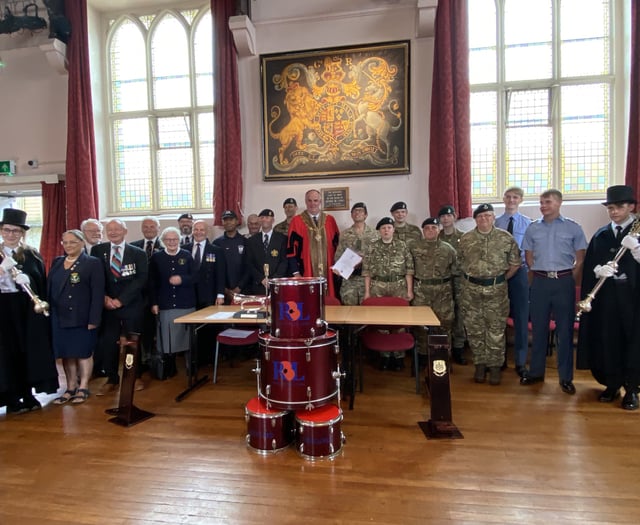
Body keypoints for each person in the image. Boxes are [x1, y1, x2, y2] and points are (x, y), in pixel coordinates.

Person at [577, 185, 640, 410]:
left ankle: (632, 389)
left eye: (619, 207)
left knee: (633, 343)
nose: (614, 212)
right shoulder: (602, 234)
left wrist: (637, 251)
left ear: (631, 206)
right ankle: (612, 384)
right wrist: (598, 270)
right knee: (609, 340)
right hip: (608, 300)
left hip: (633, 300)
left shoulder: (637, 232)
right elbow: (592, 262)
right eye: (610, 208)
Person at [521, 189, 587, 394]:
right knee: (539, 329)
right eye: (541, 202)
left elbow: (581, 258)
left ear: (559, 203)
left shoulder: (573, 228)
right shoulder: (533, 229)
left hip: (563, 282)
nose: (543, 206)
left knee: (564, 331)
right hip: (540, 282)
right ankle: (536, 373)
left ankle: (565, 377)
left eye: (547, 202)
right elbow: (529, 257)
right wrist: (537, 274)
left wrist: (568, 278)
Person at [0, 208, 58, 414]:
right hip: (3, 308)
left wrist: (29, 280)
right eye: (7, 230)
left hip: (26, 308)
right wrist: (2, 270)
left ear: (22, 233)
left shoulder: (31, 253)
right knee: (8, 353)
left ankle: (28, 393)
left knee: (29, 350)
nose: (11, 234)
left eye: (16, 231)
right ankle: (11, 397)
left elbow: (40, 280)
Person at [457, 204, 521, 386]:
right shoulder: (466, 239)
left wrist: (499, 279)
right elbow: (460, 264)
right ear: (475, 219)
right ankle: (480, 364)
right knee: (475, 329)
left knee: (495, 329)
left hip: (496, 291)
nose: (483, 219)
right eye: (480, 216)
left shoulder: (505, 238)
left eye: (487, 216)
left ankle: (494, 367)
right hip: (471, 291)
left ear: (493, 218)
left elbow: (515, 263)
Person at [91, 219, 148, 395]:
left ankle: (135, 375)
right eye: (110, 230)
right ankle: (111, 378)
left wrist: (121, 300)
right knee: (108, 343)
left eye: (117, 229)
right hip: (107, 306)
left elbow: (141, 279)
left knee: (132, 342)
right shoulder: (98, 251)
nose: (113, 232)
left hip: (131, 305)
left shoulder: (138, 253)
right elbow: (94, 277)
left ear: (125, 231)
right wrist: (105, 298)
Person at [48, 230, 104, 405]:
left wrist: (94, 319)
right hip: (60, 317)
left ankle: (84, 386)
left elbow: (97, 293)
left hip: (82, 317)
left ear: (81, 243)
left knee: (83, 352)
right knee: (66, 354)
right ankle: (70, 387)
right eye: (65, 242)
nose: (68, 246)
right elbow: (50, 289)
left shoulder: (92, 263)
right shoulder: (57, 262)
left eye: (72, 242)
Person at [362, 217, 414, 370]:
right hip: (378, 285)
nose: (386, 230)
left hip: (398, 285)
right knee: (381, 321)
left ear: (393, 230)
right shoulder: (372, 247)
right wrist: (367, 292)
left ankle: (398, 357)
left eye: (389, 227)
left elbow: (409, 270)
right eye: (383, 228)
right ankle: (385, 356)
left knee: (399, 321)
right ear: (379, 231)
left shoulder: (402, 246)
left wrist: (409, 290)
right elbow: (367, 271)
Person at [409, 217, 457, 369]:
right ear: (423, 231)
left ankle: (443, 357)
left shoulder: (448, 248)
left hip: (443, 291)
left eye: (434, 228)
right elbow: (408, 268)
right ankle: (423, 356)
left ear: (439, 230)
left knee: (444, 324)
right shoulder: (413, 247)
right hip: (421, 290)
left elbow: (456, 270)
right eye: (427, 228)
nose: (430, 230)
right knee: (421, 325)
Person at [149, 227, 196, 377]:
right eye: (168, 240)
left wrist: (182, 279)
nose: (172, 242)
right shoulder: (156, 257)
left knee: (187, 338)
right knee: (167, 339)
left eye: (175, 239)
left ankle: (191, 367)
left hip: (186, 303)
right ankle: (169, 369)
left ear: (179, 240)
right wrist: (154, 303)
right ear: (163, 241)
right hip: (165, 304)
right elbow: (152, 282)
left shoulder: (187, 255)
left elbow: (195, 277)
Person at [495, 187, 532, 376]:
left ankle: (520, 362)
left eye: (515, 197)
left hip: (520, 274)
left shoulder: (529, 224)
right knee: (498, 318)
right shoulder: (495, 222)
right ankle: (499, 359)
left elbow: (531, 250)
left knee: (521, 317)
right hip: (499, 274)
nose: (511, 200)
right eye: (508, 197)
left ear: (521, 200)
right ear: (503, 199)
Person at [287, 189, 340, 297]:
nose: (313, 204)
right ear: (305, 202)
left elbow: (338, 246)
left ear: (320, 202)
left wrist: (340, 267)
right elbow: (291, 249)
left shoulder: (330, 220)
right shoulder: (297, 221)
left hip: (329, 271)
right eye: (309, 200)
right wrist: (296, 273)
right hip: (306, 270)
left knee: (330, 302)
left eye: (315, 200)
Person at [131, 216, 162, 375]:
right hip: (139, 297)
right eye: (146, 227)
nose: (149, 229)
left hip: (159, 295)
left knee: (159, 330)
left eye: (152, 227)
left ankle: (159, 363)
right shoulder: (133, 247)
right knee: (143, 330)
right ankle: (143, 361)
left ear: (158, 228)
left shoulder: (166, 244)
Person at [438, 205, 467, 365]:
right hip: (444, 281)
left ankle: (459, 348)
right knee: (446, 316)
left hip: (460, 280)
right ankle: (445, 349)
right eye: (442, 216)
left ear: (454, 217)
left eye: (448, 216)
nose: (446, 219)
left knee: (460, 314)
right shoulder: (436, 236)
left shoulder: (464, 237)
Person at [333, 202, 378, 305]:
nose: (357, 213)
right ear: (351, 215)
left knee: (368, 312)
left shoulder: (375, 234)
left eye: (360, 211)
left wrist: (364, 260)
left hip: (368, 280)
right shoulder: (345, 234)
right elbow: (339, 255)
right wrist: (338, 268)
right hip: (350, 280)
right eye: (355, 211)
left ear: (366, 215)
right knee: (349, 311)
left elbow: (378, 256)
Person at [242, 209, 288, 296]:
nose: (264, 220)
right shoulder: (251, 240)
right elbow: (249, 263)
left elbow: (284, 261)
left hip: (276, 284)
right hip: (258, 284)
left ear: (273, 220)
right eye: (262, 217)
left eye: (267, 217)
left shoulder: (282, 239)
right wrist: (261, 279)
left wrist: (274, 279)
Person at [213, 210, 246, 303]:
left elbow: (249, 267)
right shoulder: (216, 243)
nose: (228, 222)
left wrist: (239, 287)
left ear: (236, 221)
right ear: (222, 222)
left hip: (243, 290)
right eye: (225, 220)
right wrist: (224, 289)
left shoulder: (245, 241)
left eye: (231, 219)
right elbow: (214, 269)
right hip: (223, 293)